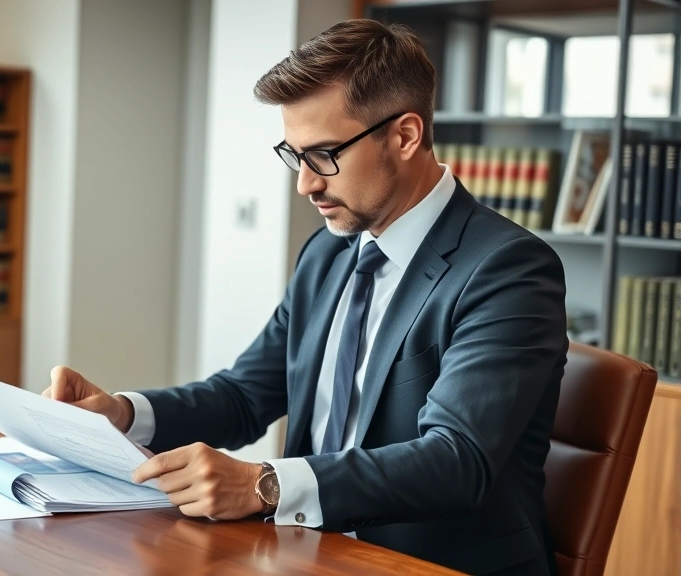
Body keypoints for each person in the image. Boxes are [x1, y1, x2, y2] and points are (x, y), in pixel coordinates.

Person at [43, 18, 567, 576]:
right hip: (303, 553)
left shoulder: (506, 267)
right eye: (295, 156)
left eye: (324, 155)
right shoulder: (327, 253)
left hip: (422, 563)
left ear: (406, 135)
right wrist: (122, 415)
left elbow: (455, 459)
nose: (306, 185)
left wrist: (262, 484)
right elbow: (245, 396)